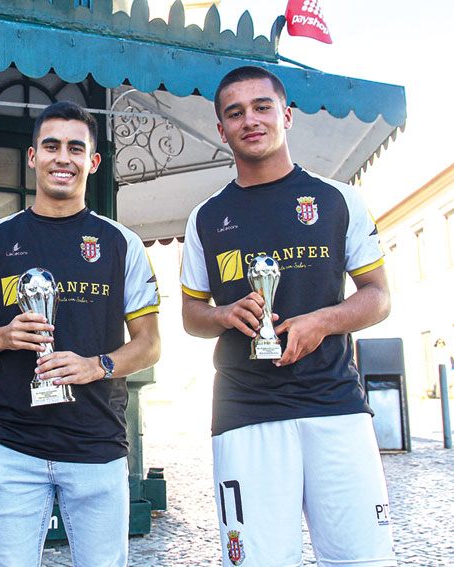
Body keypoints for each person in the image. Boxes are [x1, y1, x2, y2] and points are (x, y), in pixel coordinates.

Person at [180, 66, 396, 567]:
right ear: (222, 130)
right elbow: (191, 315)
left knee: (362, 560)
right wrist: (224, 315)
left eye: (262, 107)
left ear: (287, 115)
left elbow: (379, 296)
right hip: (245, 410)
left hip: (334, 404)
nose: (250, 120)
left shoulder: (337, 199)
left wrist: (323, 321)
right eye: (236, 113)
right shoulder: (206, 217)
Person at [0, 101, 161, 567]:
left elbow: (150, 344)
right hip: (12, 445)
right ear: (32, 156)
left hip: (96, 443)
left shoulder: (121, 243)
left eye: (75, 148)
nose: (63, 158)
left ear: (93, 161)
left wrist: (97, 366)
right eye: (51, 146)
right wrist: (2, 337)